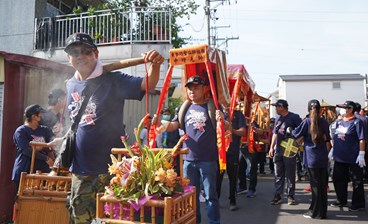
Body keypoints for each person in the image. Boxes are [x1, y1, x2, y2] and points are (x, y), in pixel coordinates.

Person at [61, 32, 164, 223]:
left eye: (85, 51)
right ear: (69, 57)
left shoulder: (114, 79)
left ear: (96, 54)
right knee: (80, 217)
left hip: (111, 171)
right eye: (74, 53)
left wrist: (155, 64)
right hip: (80, 169)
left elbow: (147, 83)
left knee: (112, 219)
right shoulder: (71, 85)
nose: (80, 56)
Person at [156, 75, 230, 224]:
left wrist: (222, 118)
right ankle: (194, 221)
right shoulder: (184, 108)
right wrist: (160, 124)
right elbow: (172, 125)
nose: (192, 91)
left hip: (208, 159)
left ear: (204, 89)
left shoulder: (213, 106)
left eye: (196, 88)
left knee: (210, 195)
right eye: (190, 89)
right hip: (188, 160)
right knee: (191, 197)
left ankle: (214, 222)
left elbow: (227, 127)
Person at [292, 100, 331, 219]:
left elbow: (295, 134)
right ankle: (322, 211)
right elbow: (327, 139)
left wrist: (289, 130)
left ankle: (316, 212)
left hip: (311, 157)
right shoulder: (324, 122)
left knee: (315, 186)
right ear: (320, 110)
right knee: (322, 186)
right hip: (322, 157)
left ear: (309, 109)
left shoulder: (306, 121)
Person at [331, 100, 366, 212]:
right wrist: (332, 150)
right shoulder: (339, 122)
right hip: (339, 157)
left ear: (351, 109)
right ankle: (341, 200)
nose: (342, 110)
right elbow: (334, 137)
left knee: (356, 181)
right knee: (338, 179)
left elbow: (361, 139)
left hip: (353, 157)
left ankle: (358, 204)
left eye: (344, 107)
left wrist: (361, 154)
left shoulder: (357, 122)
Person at [12, 104, 55, 192]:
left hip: (43, 172)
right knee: (21, 199)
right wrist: (46, 158)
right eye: (40, 114)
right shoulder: (21, 131)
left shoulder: (45, 130)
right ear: (34, 117)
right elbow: (26, 150)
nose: (42, 116)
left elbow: (51, 145)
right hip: (26, 169)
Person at [268, 99, 302, 205]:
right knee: (278, 173)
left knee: (290, 173)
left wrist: (296, 145)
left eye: (276, 106)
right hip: (278, 150)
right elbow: (275, 133)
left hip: (289, 150)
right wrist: (271, 148)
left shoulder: (294, 117)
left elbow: (302, 132)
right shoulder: (278, 118)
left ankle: (290, 196)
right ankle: (278, 195)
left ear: (282, 107)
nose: (275, 108)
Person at [216, 108, 246, 211]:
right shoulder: (217, 111)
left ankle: (232, 200)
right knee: (217, 178)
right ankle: (216, 200)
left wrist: (230, 129)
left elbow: (242, 132)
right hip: (219, 152)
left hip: (232, 151)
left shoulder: (238, 114)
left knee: (233, 178)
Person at [353, 103, 368, 190]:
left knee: (355, 165)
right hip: (365, 144)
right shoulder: (365, 119)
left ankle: (357, 183)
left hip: (354, 146)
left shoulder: (351, 119)